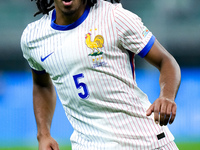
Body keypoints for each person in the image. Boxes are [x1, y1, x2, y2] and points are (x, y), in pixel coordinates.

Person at [21, 0, 181, 149]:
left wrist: (166, 96)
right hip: (88, 144)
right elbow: (41, 84)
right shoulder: (34, 37)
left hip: (146, 141)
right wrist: (43, 134)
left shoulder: (115, 17)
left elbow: (166, 61)